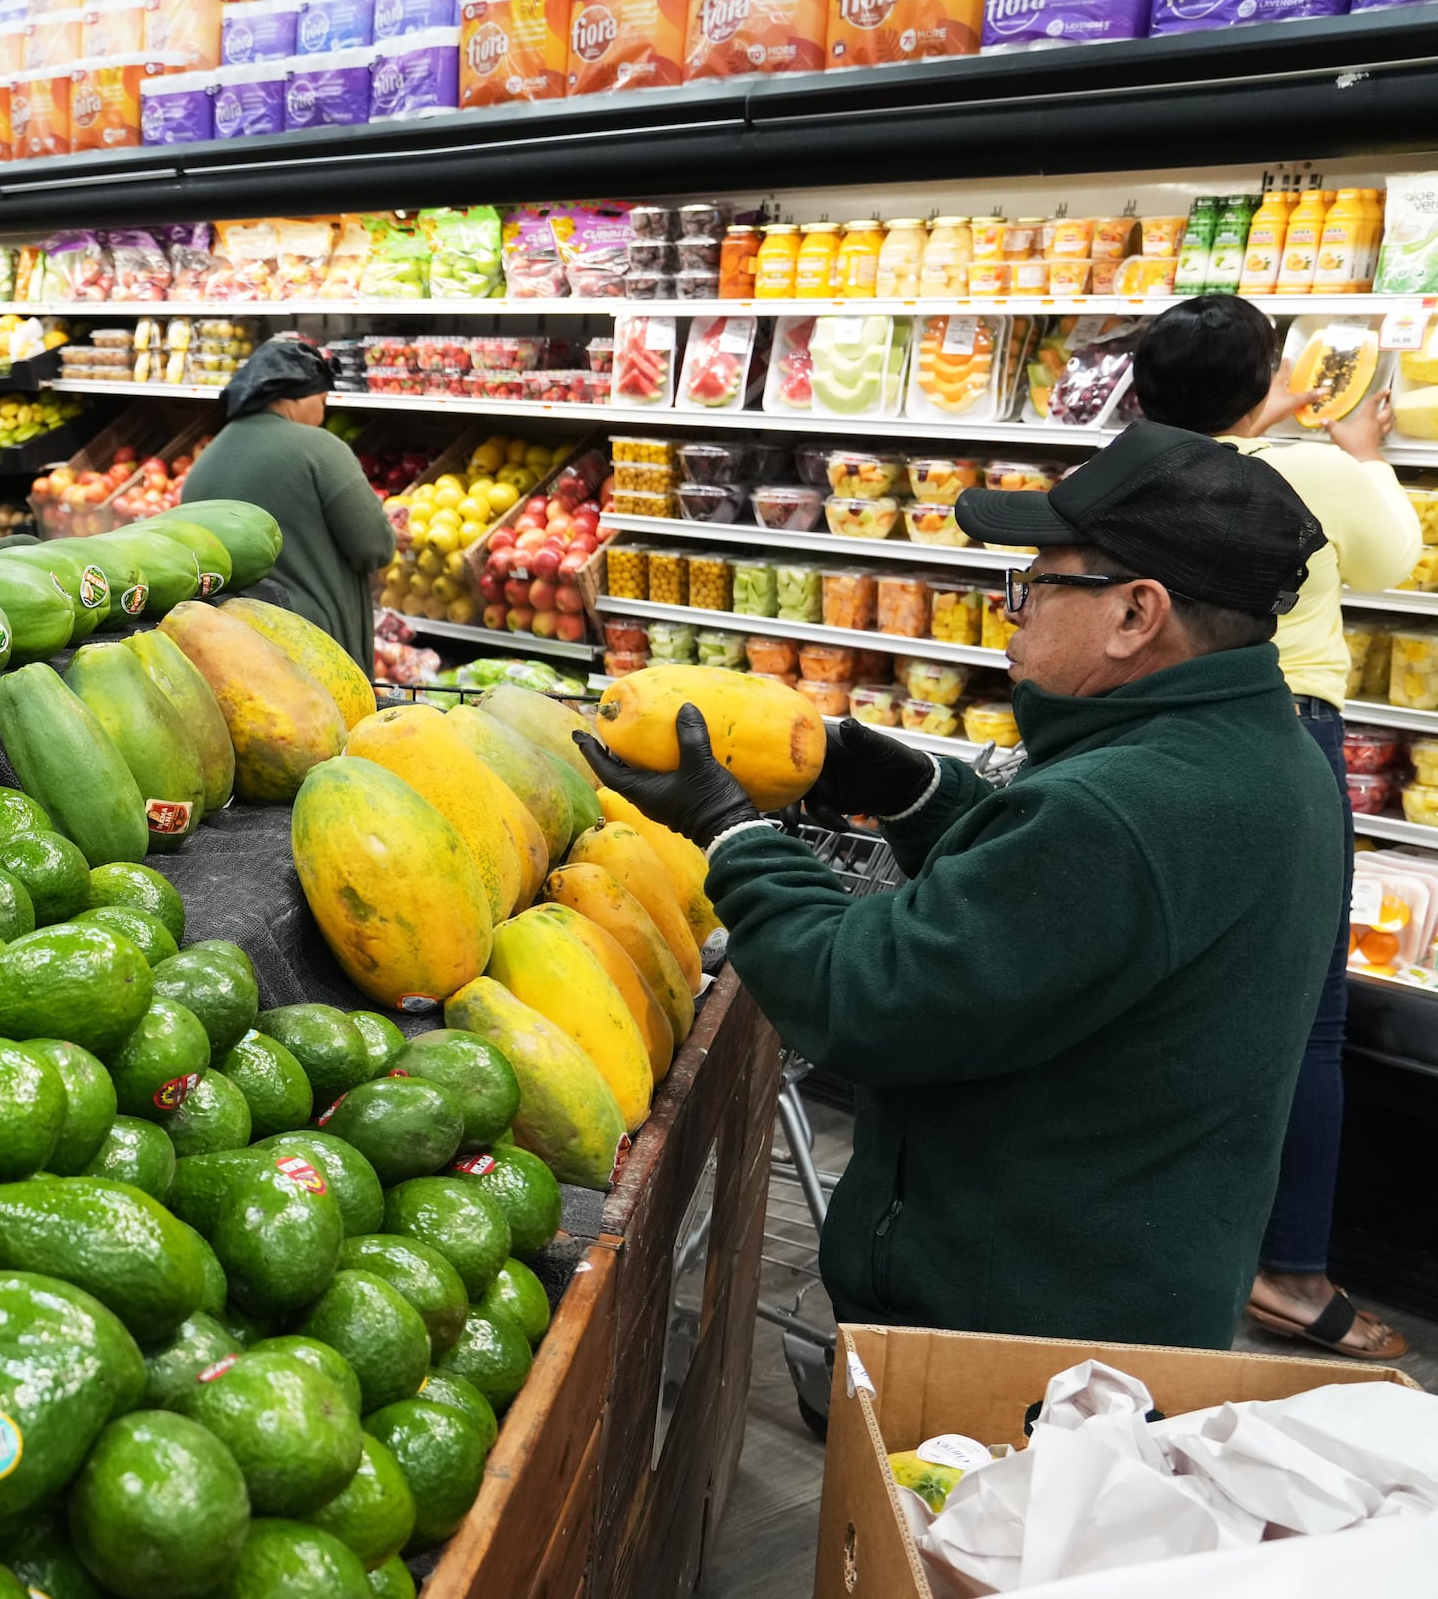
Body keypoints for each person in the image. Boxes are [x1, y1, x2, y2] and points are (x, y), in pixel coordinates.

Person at [582, 422, 1344, 1350]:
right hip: (1129, 1293)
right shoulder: (1271, 757)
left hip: (1015, 1330)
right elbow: (1069, 924)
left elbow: (861, 994)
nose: (1010, 609)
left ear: (1135, 614)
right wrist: (921, 793)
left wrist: (731, 832)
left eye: (1038, 583)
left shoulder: (1120, 810)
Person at [1130, 295, 1421, 1361]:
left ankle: (1160, 1233)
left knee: (1164, 991)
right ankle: (1291, 1272)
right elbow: (1391, 557)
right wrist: (1360, 451)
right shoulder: (1308, 470)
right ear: (1267, 384)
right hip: (1281, 729)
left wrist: (1268, 413)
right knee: (1307, 1018)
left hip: (1150, 735)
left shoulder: (1129, 469)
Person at [179, 339, 396, 672]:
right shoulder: (320, 449)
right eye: (322, 401)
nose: (322, 414)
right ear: (295, 395)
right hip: (316, 650)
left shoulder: (202, 466)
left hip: (230, 653)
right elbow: (374, 548)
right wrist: (388, 531)